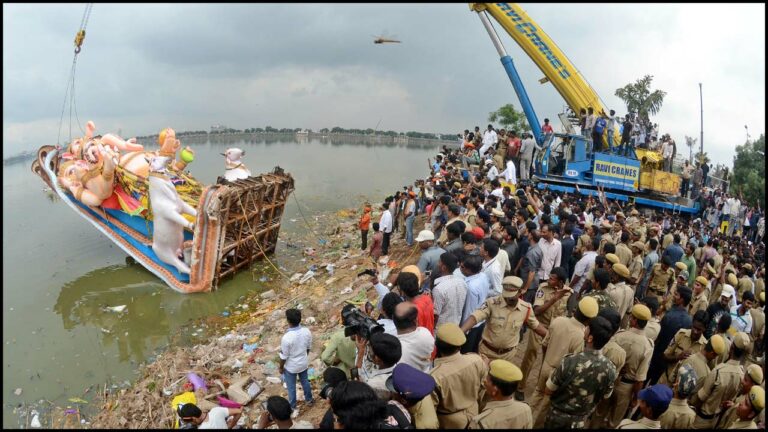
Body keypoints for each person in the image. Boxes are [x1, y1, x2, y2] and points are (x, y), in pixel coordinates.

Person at [530, 297, 599, 427]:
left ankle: (524, 419)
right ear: (590, 320)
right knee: (546, 405)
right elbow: (573, 364)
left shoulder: (558, 321)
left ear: (577, 309)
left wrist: (546, 360)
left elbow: (545, 344)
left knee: (537, 393)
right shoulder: (580, 336)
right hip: (558, 375)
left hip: (546, 365)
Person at [544, 315, 618, 429]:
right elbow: (606, 396)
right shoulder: (611, 369)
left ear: (590, 338)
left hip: (556, 418)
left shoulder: (570, 361)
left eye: (587, 328)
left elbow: (548, 390)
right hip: (580, 421)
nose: (585, 329)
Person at [461, 276, 546, 365]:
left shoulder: (526, 308)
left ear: (520, 291)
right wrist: (461, 331)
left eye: (512, 295)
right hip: (486, 353)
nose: (508, 298)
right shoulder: (491, 303)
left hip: (508, 356)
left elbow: (536, 326)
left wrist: (550, 336)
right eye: (506, 295)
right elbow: (475, 317)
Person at [598, 304, 654, 428]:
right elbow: (640, 379)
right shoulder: (647, 346)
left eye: (631, 317)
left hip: (609, 381)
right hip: (626, 388)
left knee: (598, 414)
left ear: (635, 320)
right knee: (614, 422)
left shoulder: (619, 336)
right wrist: (635, 398)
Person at [429, 323, 488, 429]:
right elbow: (484, 388)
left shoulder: (434, 376)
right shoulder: (476, 360)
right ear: (460, 346)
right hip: (474, 415)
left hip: (449, 423)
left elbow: (430, 410)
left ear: (436, 345)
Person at [690, 331, 750, 428]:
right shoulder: (742, 375)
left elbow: (701, 398)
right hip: (716, 421)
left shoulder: (718, 371)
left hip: (701, 419)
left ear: (731, 347)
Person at [468, 360, 532, 429]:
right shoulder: (525, 409)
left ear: (495, 390)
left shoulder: (481, 423)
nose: (484, 381)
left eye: (487, 379)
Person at [657, 310, 707, 386]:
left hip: (680, 389)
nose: (695, 331)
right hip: (665, 380)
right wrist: (678, 357)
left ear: (704, 329)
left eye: (699, 330)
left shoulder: (704, 346)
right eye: (694, 327)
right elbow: (665, 355)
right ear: (692, 323)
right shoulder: (681, 334)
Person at [279, 308, 314, 410]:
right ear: (300, 319)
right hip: (303, 363)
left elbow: (284, 356)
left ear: (288, 320)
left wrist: (281, 367)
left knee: (291, 387)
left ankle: (293, 407)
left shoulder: (286, 338)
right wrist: (304, 357)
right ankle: (309, 400)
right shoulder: (306, 331)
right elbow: (308, 348)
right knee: (305, 382)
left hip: (291, 367)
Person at [353, 331, 402, 399]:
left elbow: (357, 382)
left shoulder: (374, 384)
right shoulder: (392, 361)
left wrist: (360, 353)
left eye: (370, 351)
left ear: (377, 359)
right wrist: (361, 351)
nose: (368, 351)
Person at [459, 255, 490, 353]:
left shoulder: (470, 287)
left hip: (471, 327)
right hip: (480, 321)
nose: (460, 268)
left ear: (469, 270)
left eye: (462, 267)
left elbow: (469, 310)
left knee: (466, 353)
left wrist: (463, 330)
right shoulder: (483, 276)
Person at [716, 364, 764, 429]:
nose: (742, 381)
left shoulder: (750, 405)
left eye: (746, 380)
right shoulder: (744, 393)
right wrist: (733, 406)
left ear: (753, 385)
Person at [393, 301, 434, 372]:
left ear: (394, 321)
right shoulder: (425, 333)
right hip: (426, 373)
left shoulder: (395, 349)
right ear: (415, 320)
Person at [321, 304, 360, 378]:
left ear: (343, 319)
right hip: (363, 372)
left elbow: (325, 357)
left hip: (345, 373)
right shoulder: (364, 332)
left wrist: (333, 362)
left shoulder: (337, 336)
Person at [432, 252, 467, 327]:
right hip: (455, 325)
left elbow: (436, 315)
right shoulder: (462, 282)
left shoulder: (439, 289)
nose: (437, 264)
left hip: (441, 329)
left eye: (439, 262)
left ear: (444, 267)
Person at [177, 403, 242, 429]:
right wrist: (231, 426)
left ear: (194, 418)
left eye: (191, 422)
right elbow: (239, 411)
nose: (192, 423)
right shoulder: (216, 411)